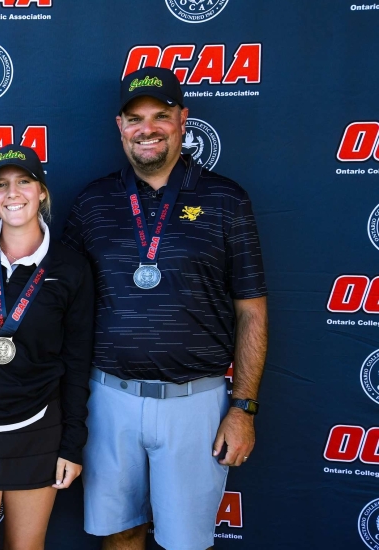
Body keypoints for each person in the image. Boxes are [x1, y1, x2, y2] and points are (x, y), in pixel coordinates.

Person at [62, 67, 268, 550]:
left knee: (185, 542)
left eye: (160, 116)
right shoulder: (93, 202)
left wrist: (243, 407)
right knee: (120, 533)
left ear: (182, 120)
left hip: (195, 403)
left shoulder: (226, 199)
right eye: (135, 119)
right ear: (120, 126)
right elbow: (56, 292)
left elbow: (252, 312)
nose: (147, 129)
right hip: (108, 398)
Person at [0, 144, 94, 550]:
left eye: (24, 182)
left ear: (41, 191)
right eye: (1, 185)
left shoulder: (70, 267)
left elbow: (77, 362)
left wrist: (72, 444)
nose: (13, 193)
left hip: (39, 428)